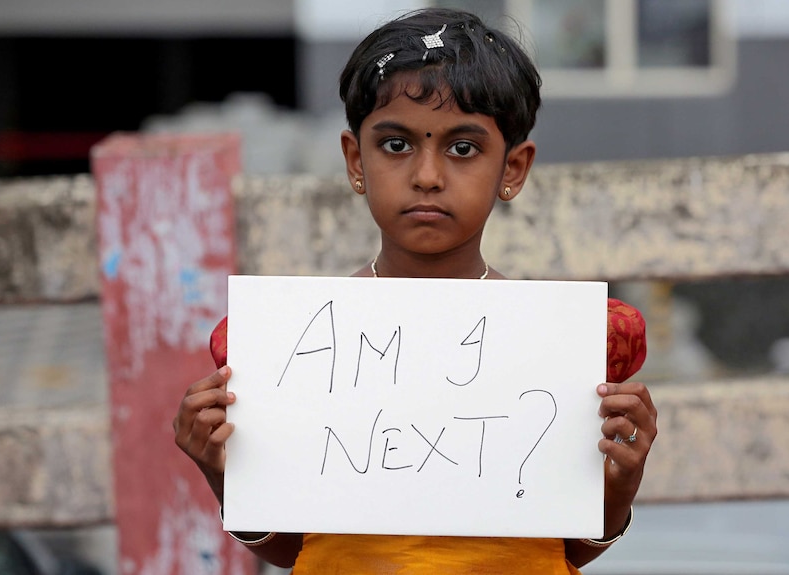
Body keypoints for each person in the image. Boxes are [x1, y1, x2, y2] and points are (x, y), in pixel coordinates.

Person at [173, 7, 657, 574]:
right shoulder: (296, 349)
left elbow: (566, 548)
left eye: (463, 149)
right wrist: (221, 470)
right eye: (396, 145)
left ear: (514, 169)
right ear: (356, 161)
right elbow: (296, 550)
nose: (427, 174)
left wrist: (619, 487)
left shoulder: (560, 348)